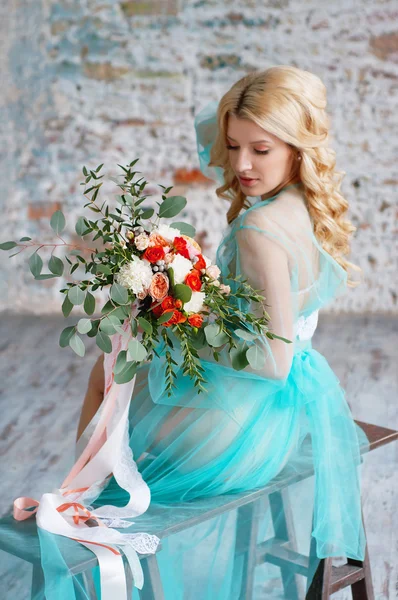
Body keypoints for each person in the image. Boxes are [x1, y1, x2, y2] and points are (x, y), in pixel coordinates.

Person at [38, 65, 370, 598]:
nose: (241, 164)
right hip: (294, 400)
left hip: (250, 420)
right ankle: (89, 503)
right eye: (234, 145)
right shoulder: (303, 206)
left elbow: (274, 358)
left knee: (108, 378)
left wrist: (183, 315)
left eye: (260, 149)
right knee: (124, 372)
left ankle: (84, 513)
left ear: (295, 147)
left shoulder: (259, 230)